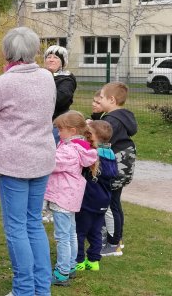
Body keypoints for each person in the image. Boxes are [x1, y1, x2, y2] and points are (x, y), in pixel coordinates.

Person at [0, 27, 56, 296]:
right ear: (33, 51)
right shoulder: (47, 77)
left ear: (7, 52)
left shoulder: (3, 83)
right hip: (41, 157)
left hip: (14, 163)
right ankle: (42, 288)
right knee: (33, 223)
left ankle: (24, 289)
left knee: (17, 227)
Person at [44, 111, 98, 286]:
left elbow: (50, 163)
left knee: (62, 237)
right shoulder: (79, 146)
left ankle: (62, 272)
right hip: (71, 197)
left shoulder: (68, 150)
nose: (58, 133)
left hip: (62, 197)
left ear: (72, 130)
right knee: (71, 234)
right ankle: (71, 265)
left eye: (60, 129)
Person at [97, 82, 137, 257]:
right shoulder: (123, 117)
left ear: (111, 99)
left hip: (113, 169)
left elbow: (101, 140)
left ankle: (113, 245)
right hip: (123, 168)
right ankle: (117, 239)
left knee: (110, 206)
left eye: (102, 97)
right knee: (115, 204)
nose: (99, 100)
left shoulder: (111, 121)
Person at [76, 120, 118, 272]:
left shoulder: (92, 154)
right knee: (95, 231)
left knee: (79, 231)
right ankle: (93, 261)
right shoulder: (111, 154)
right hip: (103, 200)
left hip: (88, 200)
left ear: (94, 136)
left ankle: (78, 260)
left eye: (88, 133)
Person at [44, 45, 77, 144]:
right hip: (41, 122)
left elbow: (60, 98)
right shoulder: (41, 76)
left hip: (57, 123)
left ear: (62, 62)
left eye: (56, 57)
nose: (51, 60)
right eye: (49, 57)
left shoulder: (66, 79)